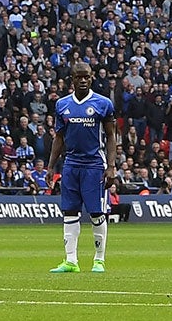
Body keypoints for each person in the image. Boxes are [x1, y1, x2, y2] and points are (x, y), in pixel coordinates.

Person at [49, 61, 119, 271]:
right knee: (69, 212)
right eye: (78, 77)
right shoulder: (62, 104)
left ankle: (99, 259)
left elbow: (110, 136)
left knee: (96, 213)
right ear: (72, 79)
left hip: (94, 165)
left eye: (86, 77)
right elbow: (59, 137)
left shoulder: (103, 103)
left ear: (92, 78)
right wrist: (51, 166)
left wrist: (111, 166)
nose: (82, 80)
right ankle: (71, 260)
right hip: (71, 163)